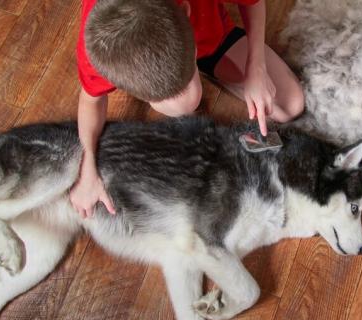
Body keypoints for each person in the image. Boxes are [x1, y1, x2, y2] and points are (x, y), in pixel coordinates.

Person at [70, 0, 305, 218]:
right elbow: (90, 100)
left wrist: (257, 67)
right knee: (187, 100)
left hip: (213, 37)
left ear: (184, 8)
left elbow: (254, 3)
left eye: (189, 65)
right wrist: (87, 166)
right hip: (170, 45)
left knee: (289, 105)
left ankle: (201, 61)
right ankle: (180, 80)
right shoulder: (101, 45)